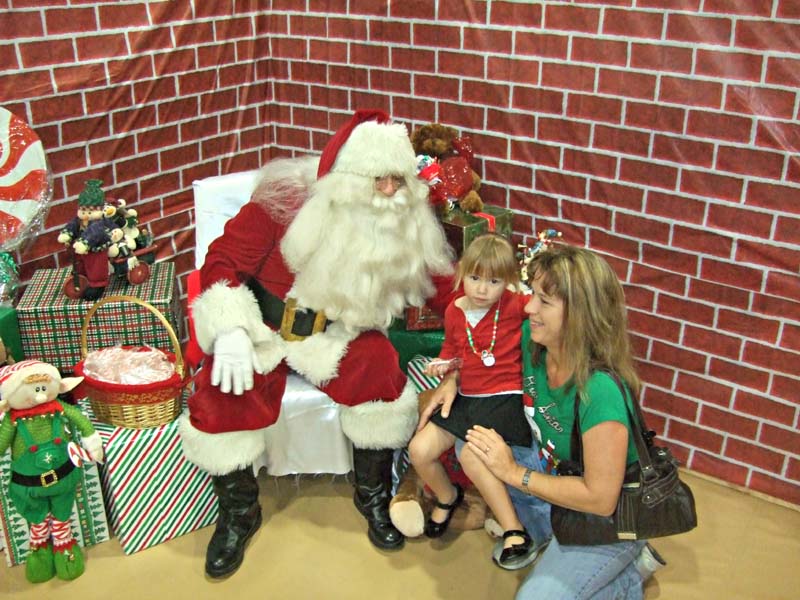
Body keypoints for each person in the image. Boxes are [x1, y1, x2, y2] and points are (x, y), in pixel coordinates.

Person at [179, 109, 456, 578]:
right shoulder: (282, 203)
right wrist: (229, 328)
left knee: (380, 367)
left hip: (337, 331)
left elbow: (446, 283)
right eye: (376, 180)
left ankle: (373, 496)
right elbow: (221, 260)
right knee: (222, 391)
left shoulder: (403, 219)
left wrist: (486, 317)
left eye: (397, 180)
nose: (388, 192)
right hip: (265, 326)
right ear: (346, 177)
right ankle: (240, 512)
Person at [431, 244, 664, 598]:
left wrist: (514, 474)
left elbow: (601, 499)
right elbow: (476, 355)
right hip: (552, 478)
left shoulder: (601, 392)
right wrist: (452, 379)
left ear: (580, 314)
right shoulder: (532, 341)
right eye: (533, 295)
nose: (528, 307)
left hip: (605, 517)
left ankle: (627, 572)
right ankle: (544, 536)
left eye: (544, 301)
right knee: (473, 441)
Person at [410, 233, 535, 570]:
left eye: (494, 281)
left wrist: (533, 290)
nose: (482, 289)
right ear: (462, 273)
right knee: (419, 450)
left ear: (508, 282)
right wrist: (445, 368)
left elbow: (544, 308)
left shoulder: (513, 305)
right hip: (467, 395)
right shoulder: (454, 310)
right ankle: (449, 497)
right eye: (475, 278)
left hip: (504, 398)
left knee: (471, 453)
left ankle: (515, 530)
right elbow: (452, 351)